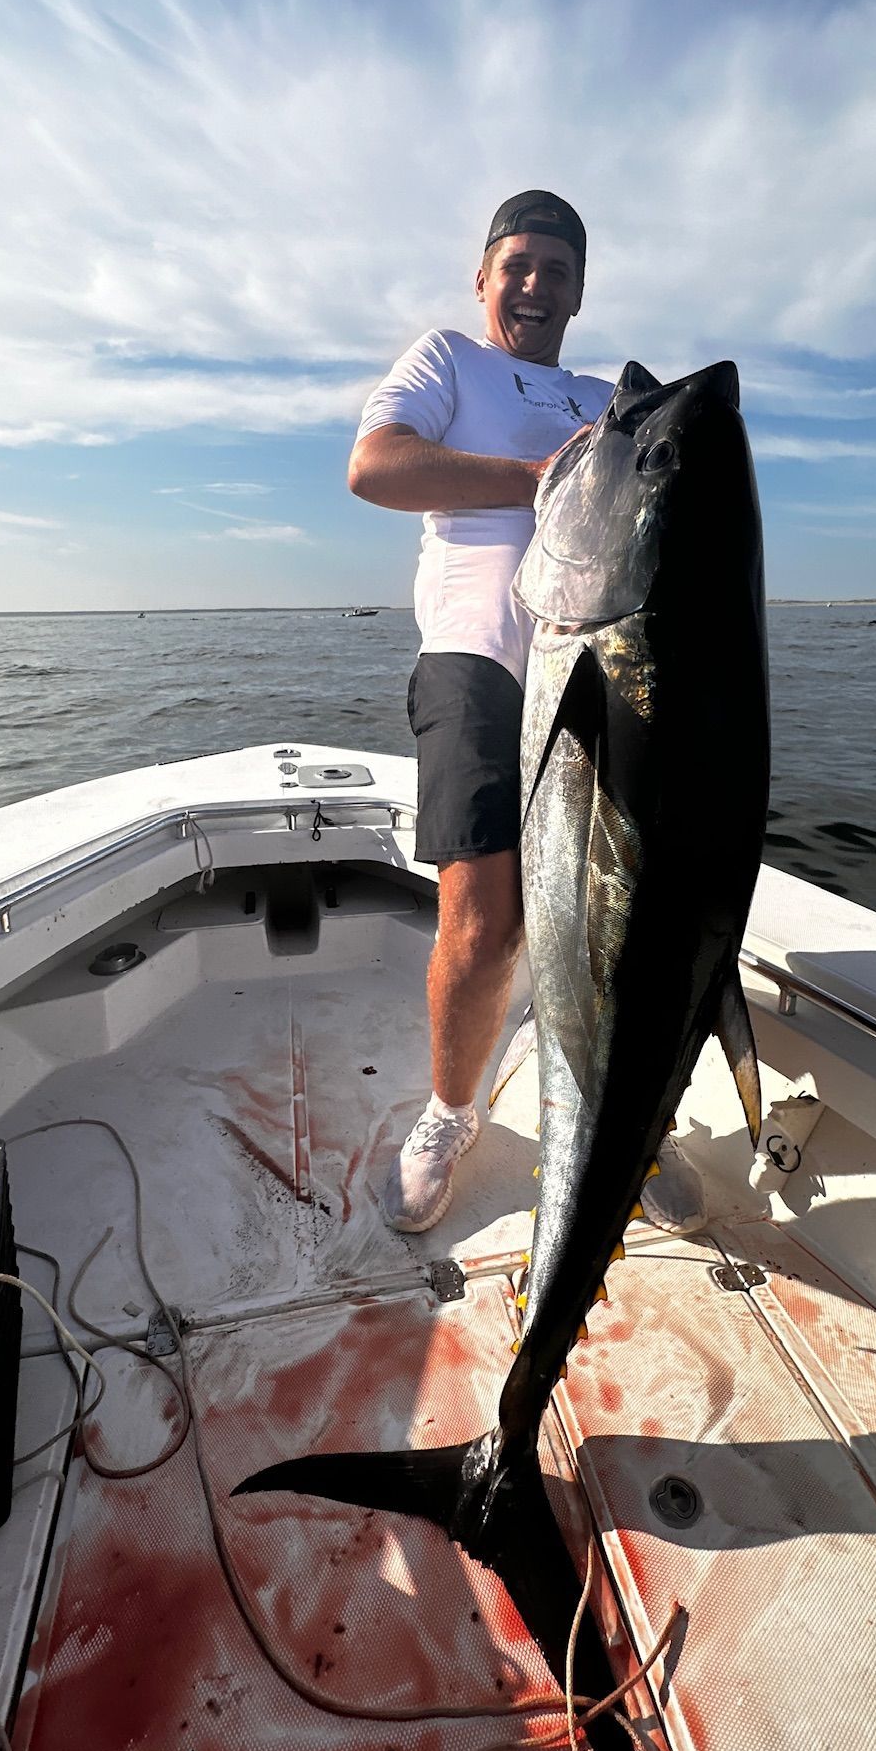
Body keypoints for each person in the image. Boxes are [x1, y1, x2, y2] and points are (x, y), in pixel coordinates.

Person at [349, 189, 707, 1237]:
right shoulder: (447, 358)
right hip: (478, 659)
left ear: (581, 288)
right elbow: (375, 466)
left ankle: (615, 1114)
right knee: (485, 918)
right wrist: (534, 478)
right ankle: (453, 1114)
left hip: (602, 672)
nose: (537, 285)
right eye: (519, 265)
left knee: (615, 916)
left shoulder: (613, 399)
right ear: (484, 275)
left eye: (557, 269)